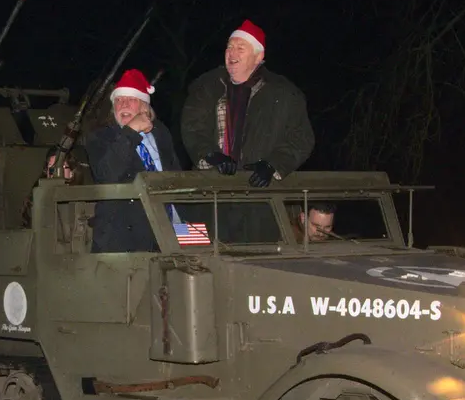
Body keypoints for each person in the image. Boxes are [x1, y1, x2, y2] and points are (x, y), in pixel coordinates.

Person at [181, 20, 315, 188]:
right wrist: (210, 154)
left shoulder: (285, 94)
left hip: (260, 194)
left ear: (258, 57)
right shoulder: (206, 87)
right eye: (229, 47)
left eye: (240, 48)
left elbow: (301, 138)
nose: (232, 53)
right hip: (211, 189)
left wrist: (272, 165)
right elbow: (192, 127)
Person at [84, 69, 181, 253]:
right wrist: (130, 132)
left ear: (145, 107)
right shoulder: (100, 138)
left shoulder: (161, 133)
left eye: (131, 99)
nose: (123, 105)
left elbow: (175, 176)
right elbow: (107, 174)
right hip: (125, 242)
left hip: (170, 233)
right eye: (118, 100)